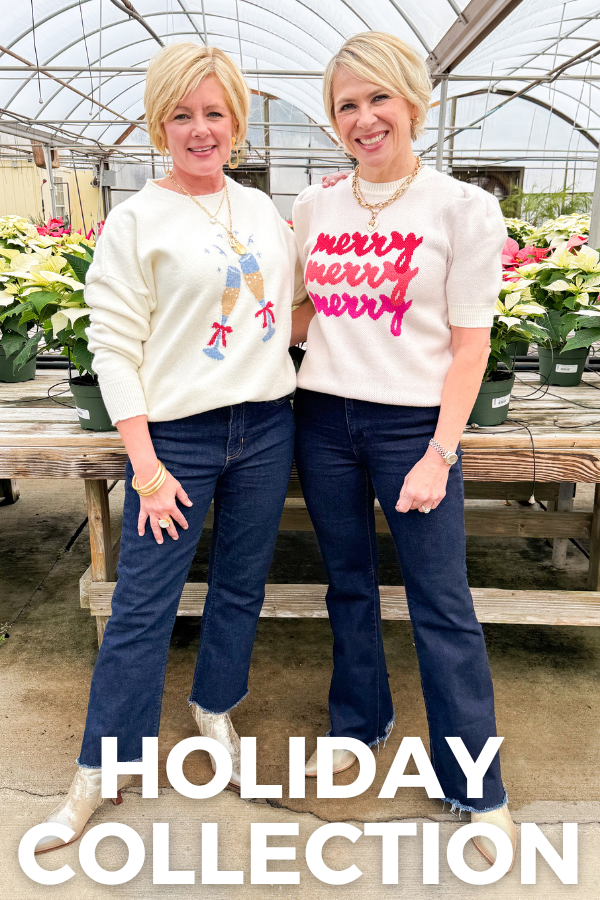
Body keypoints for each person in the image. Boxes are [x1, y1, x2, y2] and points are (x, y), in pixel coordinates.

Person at [35, 42, 305, 854]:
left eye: (214, 113)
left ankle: (214, 708)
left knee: (239, 586)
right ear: (160, 124)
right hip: (175, 441)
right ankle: (98, 768)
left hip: (265, 427)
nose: (200, 130)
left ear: (238, 123)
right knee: (142, 607)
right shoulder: (136, 217)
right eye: (182, 115)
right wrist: (146, 468)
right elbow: (113, 348)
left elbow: (284, 317)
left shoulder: (261, 212)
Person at [291, 31, 517, 869]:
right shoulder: (317, 208)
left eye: (377, 98)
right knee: (347, 583)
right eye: (347, 105)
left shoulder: (461, 208)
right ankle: (360, 721)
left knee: (441, 601)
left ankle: (476, 780)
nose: (363, 117)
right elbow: (305, 313)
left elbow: (470, 347)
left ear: (412, 102)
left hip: (411, 428)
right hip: (323, 418)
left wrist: (439, 452)